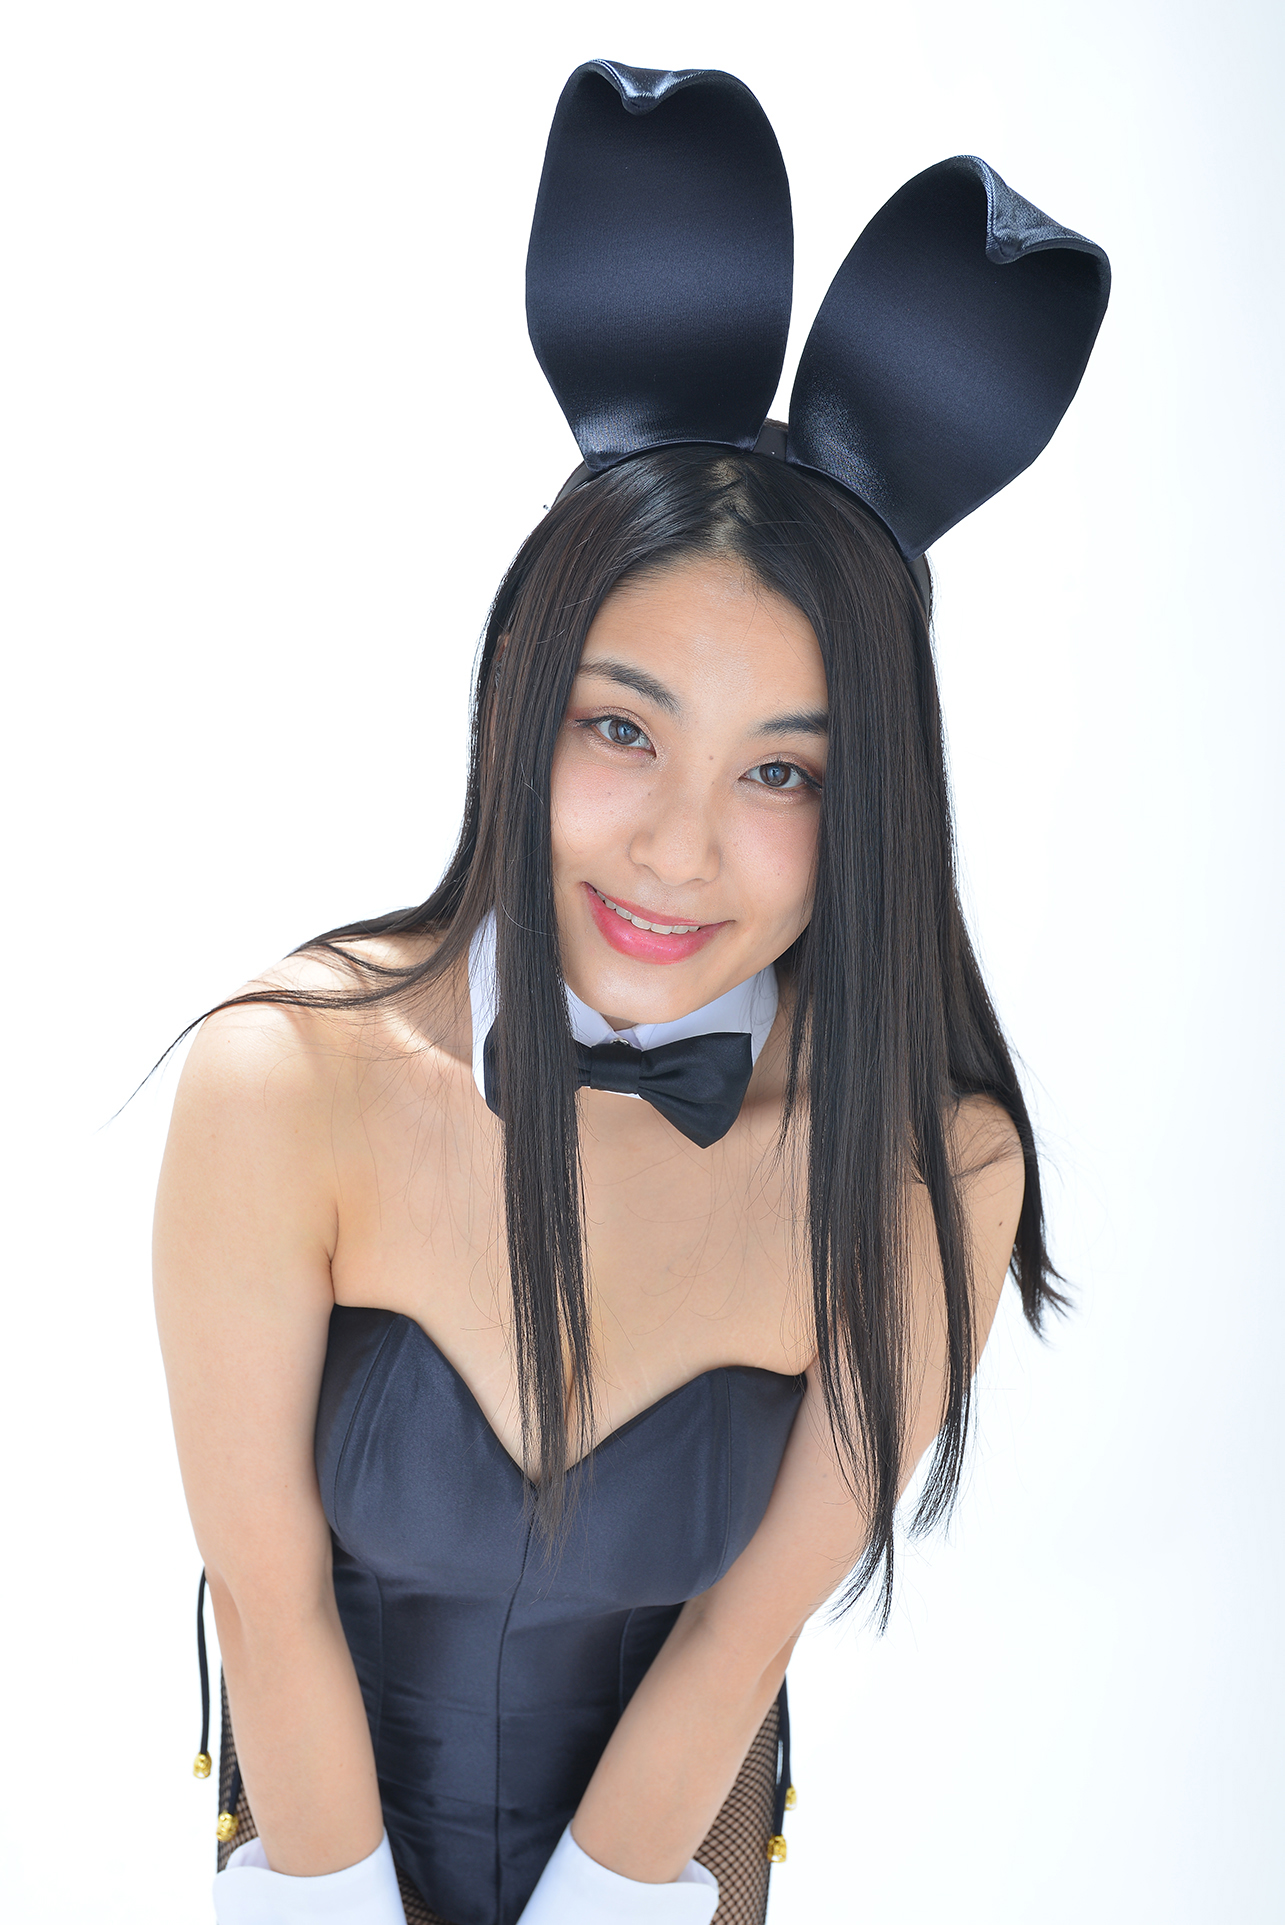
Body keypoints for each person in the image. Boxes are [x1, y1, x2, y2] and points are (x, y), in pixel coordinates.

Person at [153, 60, 1109, 1925]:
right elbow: (263, 1600)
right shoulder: (287, 1078)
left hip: (665, 1876)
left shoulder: (932, 1162)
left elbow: (744, 1635)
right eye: (621, 729)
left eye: (782, 771)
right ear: (520, 689)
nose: (679, 849)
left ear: (873, 804)